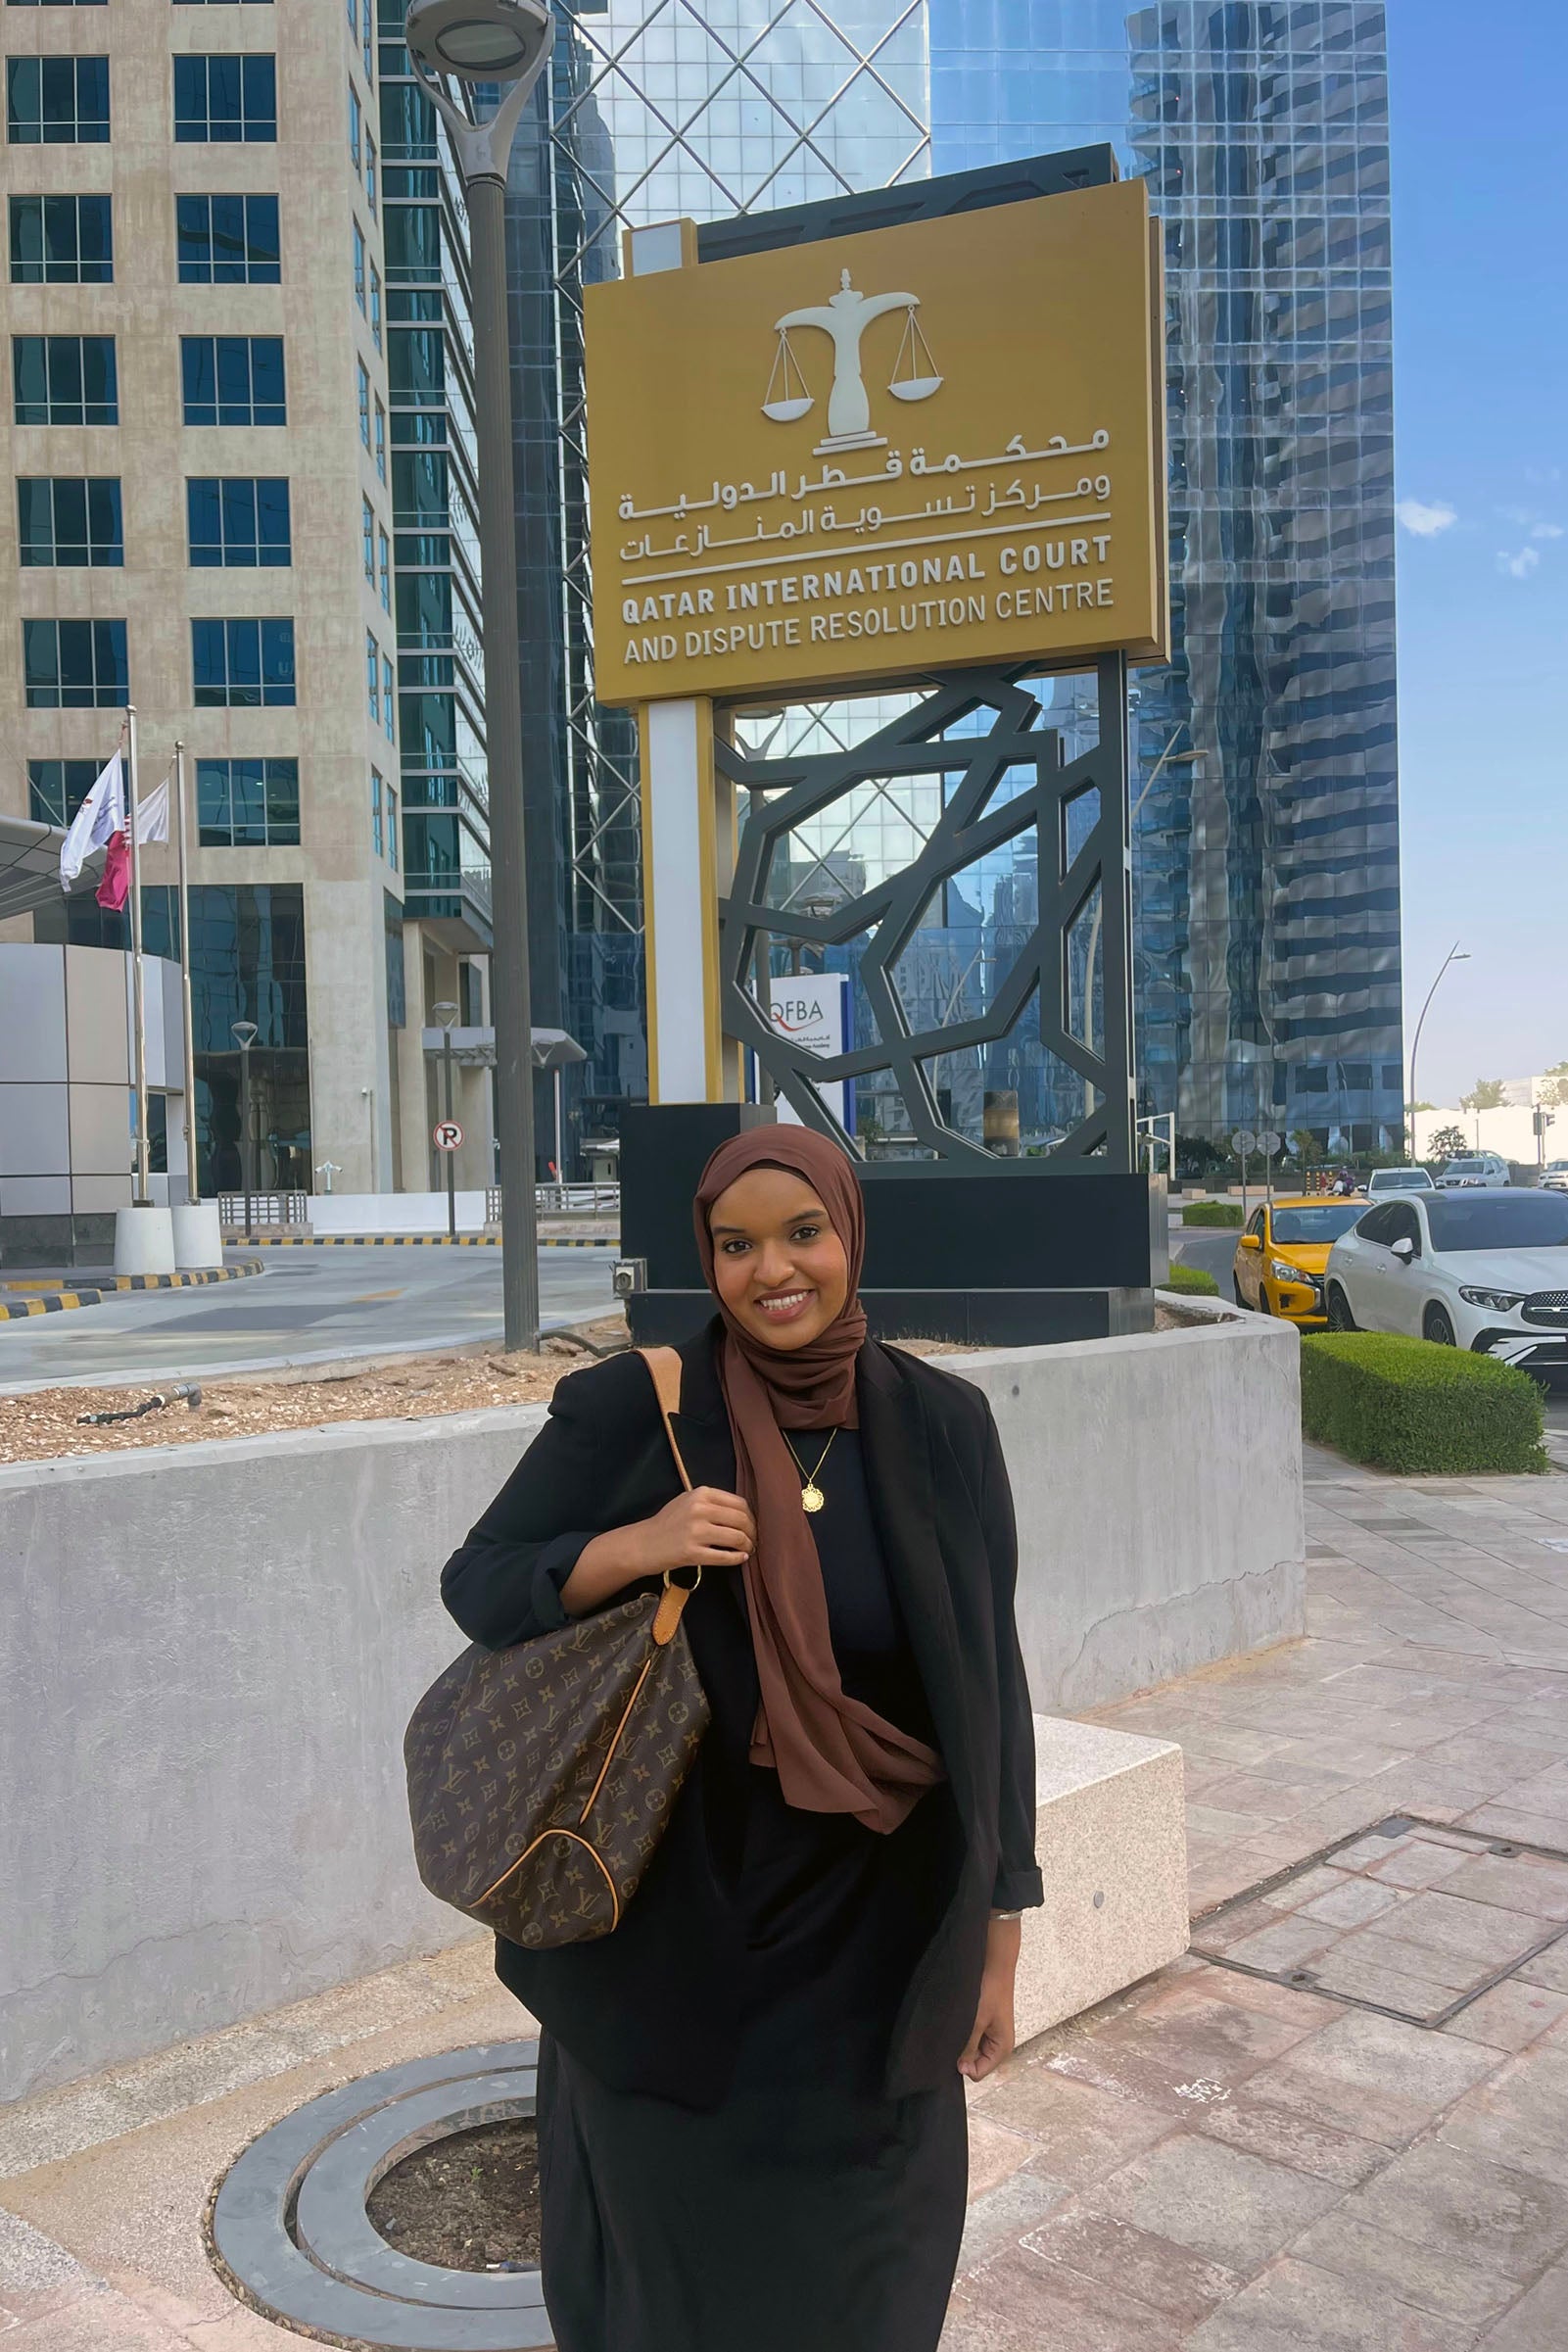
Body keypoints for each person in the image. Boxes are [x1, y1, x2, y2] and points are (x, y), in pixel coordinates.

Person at [441, 1128, 1042, 2352]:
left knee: (874, 2281)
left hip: (879, 1954)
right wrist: (636, 1546)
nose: (771, 1269)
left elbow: (992, 1690)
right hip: (676, 1954)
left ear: (848, 1233)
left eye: (800, 1233)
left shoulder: (942, 1425)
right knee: (676, 2292)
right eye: (734, 1244)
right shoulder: (639, 1409)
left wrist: (1000, 1935)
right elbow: (481, 1581)